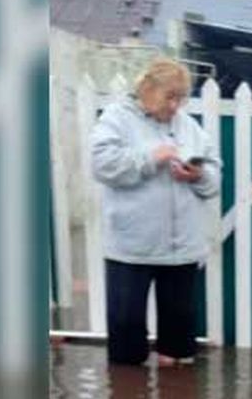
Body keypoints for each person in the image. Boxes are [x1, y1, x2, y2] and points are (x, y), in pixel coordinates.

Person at [90, 58, 222, 366]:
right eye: (169, 96)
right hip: (131, 248)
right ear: (147, 90)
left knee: (178, 340)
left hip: (182, 251)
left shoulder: (190, 128)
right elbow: (102, 165)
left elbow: (214, 179)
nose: (175, 105)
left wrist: (198, 175)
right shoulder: (116, 119)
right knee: (125, 331)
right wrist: (151, 158)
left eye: (181, 98)